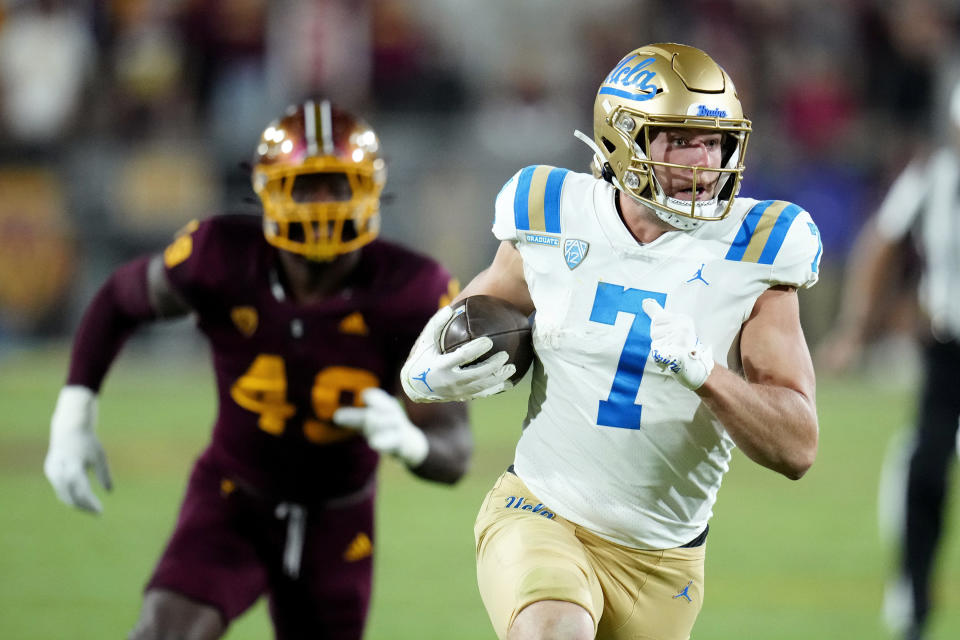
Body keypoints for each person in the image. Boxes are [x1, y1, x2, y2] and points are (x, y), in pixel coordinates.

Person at [400, 43, 823, 640]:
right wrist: (421, 369)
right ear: (623, 138)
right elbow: (474, 312)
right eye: (679, 139)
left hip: (665, 564)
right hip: (542, 511)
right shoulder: (552, 211)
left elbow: (797, 446)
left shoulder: (759, 248)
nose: (703, 160)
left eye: (715, 140)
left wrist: (708, 376)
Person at [42, 99, 471, 640]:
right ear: (268, 191)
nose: (320, 204)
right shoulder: (220, 255)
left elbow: (455, 449)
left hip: (338, 522)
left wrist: (412, 444)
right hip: (231, 500)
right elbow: (119, 300)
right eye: (304, 186)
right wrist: (74, 413)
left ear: (367, 188)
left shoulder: (413, 289)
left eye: (337, 185)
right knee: (160, 634)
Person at [818, 81, 960, 640]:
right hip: (949, 349)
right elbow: (881, 244)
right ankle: (913, 596)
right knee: (924, 469)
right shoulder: (933, 177)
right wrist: (856, 328)